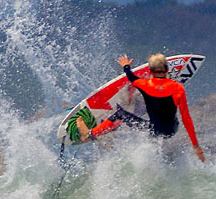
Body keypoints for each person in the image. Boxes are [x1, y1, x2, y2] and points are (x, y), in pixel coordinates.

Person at [76, 53, 206, 162]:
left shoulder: (144, 84)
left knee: (121, 115)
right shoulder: (178, 88)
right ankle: (111, 134)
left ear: (150, 71)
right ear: (167, 70)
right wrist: (196, 146)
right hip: (172, 130)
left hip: (153, 130)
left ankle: (90, 134)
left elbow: (131, 76)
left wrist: (126, 66)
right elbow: (186, 118)